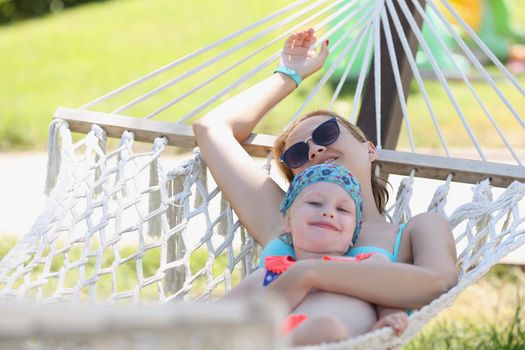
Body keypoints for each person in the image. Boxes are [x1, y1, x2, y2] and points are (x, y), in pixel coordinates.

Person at [193, 28, 457, 339]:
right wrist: (290, 72)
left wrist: (310, 273)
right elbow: (211, 128)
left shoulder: (416, 230)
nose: (315, 149)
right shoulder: (286, 220)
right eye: (297, 153)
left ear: (368, 149)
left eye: (326, 134)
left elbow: (438, 282)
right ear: (296, 187)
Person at [227, 163, 408, 346]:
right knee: (325, 327)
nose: (328, 212)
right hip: (276, 340)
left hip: (349, 343)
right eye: (315, 203)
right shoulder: (266, 275)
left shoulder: (367, 263)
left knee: (326, 327)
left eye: (342, 209)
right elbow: (212, 315)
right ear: (288, 222)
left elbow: (388, 296)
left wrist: (391, 318)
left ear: (352, 236)